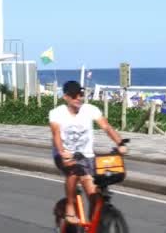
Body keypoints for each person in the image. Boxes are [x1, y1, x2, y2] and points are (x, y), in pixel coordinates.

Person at [50, 81, 127, 224]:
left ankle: (93, 225)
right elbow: (56, 135)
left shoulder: (90, 109)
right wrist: (63, 153)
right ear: (66, 97)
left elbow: (106, 127)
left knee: (95, 196)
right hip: (64, 155)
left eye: (81, 94)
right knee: (73, 170)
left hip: (87, 156)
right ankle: (70, 207)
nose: (78, 98)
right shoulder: (57, 113)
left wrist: (120, 143)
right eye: (74, 95)